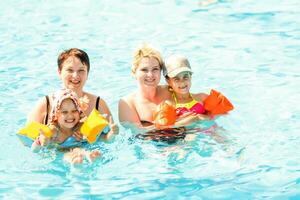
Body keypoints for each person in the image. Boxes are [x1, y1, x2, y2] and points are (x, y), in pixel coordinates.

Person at [27, 48, 118, 141]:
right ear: (59, 72)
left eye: (81, 70)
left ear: (87, 73)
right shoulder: (45, 105)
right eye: (70, 70)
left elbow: (109, 140)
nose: (75, 76)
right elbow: (29, 142)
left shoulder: (98, 104)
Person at [31, 89, 102, 164]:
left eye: (74, 111)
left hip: (76, 148)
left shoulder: (80, 125)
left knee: (77, 149)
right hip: (59, 151)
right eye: (64, 112)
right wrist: (44, 139)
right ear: (56, 114)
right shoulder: (55, 129)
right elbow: (46, 135)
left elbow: (91, 134)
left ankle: (89, 155)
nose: (70, 116)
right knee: (66, 154)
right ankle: (74, 162)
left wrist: (84, 137)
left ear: (79, 112)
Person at [118, 43, 171, 129]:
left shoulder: (170, 91)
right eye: (144, 70)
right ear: (134, 72)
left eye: (155, 69)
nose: (150, 75)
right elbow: (139, 134)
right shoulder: (128, 103)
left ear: (160, 71)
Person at [163, 54, 210, 122]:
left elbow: (221, 114)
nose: (182, 82)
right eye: (176, 79)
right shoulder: (168, 106)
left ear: (190, 76)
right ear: (168, 81)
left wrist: (199, 117)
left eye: (185, 77)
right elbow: (163, 127)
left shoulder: (203, 98)